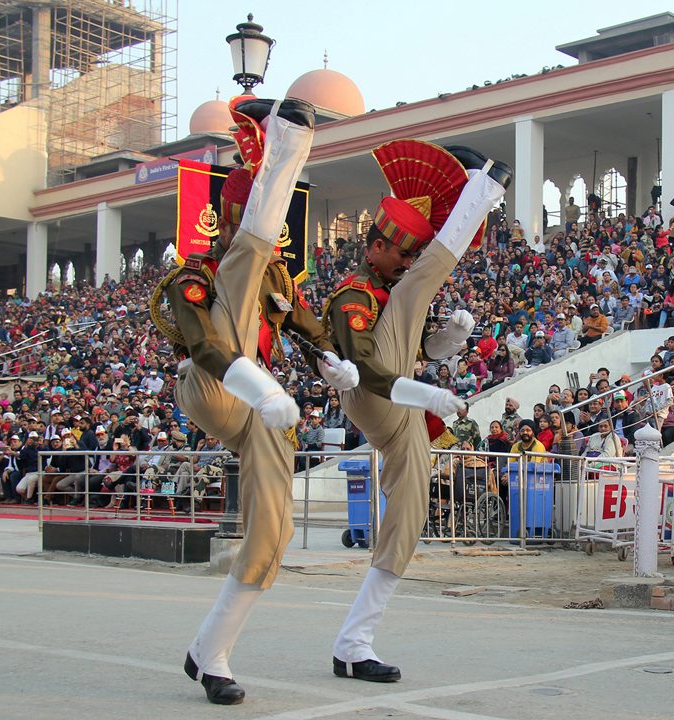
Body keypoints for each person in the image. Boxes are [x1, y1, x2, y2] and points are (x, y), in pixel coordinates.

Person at [164, 98, 359, 706]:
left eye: (271, 227)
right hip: (214, 388)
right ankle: (289, 143)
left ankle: (210, 652)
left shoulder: (275, 278)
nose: (271, 240)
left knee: (273, 533)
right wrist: (265, 388)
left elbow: (308, 327)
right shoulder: (194, 277)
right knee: (241, 273)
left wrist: (331, 359)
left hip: (263, 413)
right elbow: (205, 348)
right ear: (226, 220)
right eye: (255, 222)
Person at [324, 140, 509, 683]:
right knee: (417, 287)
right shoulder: (355, 294)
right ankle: (481, 189)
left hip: (399, 407)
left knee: (409, 515)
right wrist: (427, 395)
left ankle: (354, 644)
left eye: (411, 255)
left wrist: (449, 341)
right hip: (373, 393)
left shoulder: (389, 294)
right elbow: (367, 367)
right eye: (401, 253)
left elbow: (417, 349)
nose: (405, 262)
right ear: (375, 245)